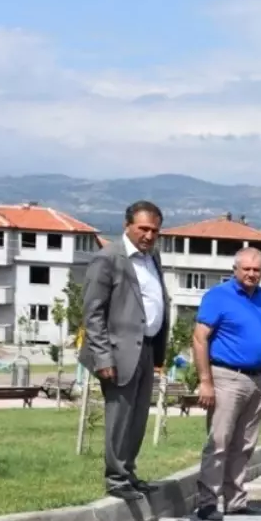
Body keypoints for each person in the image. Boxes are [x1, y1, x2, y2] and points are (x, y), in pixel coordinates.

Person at [79, 201, 170, 501]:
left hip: (146, 348)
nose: (148, 235)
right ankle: (116, 478)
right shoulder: (108, 259)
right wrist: (102, 355)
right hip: (118, 353)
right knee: (120, 416)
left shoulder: (152, 258)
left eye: (154, 230)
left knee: (138, 417)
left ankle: (128, 472)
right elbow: (93, 313)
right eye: (143, 228)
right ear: (127, 225)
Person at [192, 248, 261, 521]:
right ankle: (207, 501)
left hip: (258, 379)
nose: (252, 274)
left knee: (245, 443)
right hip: (227, 376)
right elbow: (200, 338)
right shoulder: (217, 296)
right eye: (247, 269)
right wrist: (205, 381)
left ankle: (236, 500)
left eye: (257, 270)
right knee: (219, 441)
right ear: (235, 269)